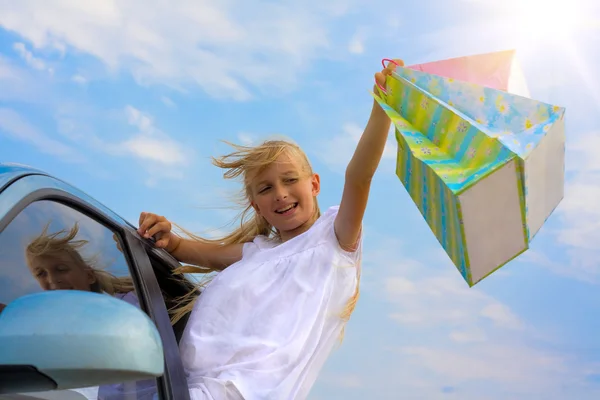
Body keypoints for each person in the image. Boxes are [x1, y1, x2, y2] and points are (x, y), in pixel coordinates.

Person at [138, 60, 403, 400]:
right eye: (265, 189)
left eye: (290, 180)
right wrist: (165, 235)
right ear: (255, 204)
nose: (280, 193)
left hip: (240, 392)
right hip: (188, 385)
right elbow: (187, 250)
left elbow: (359, 175)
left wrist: (382, 106)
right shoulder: (257, 253)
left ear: (315, 185)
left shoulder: (333, 240)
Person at [25, 223, 157, 400]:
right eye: (41, 273)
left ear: (89, 276)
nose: (52, 279)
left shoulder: (130, 308)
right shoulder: (45, 332)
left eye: (61, 269)